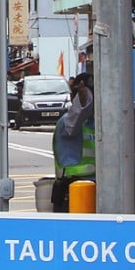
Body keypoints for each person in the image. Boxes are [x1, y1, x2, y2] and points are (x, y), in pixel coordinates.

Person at [50, 72, 95, 212]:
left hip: (94, 186)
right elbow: (78, 113)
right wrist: (83, 99)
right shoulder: (68, 122)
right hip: (72, 189)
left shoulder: (99, 122)